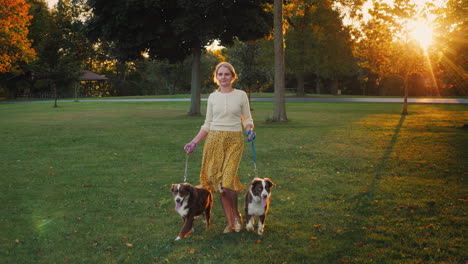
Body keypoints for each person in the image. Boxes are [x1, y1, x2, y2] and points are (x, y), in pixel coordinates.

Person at [184, 62, 255, 233]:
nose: (223, 77)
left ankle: (237, 215)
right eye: (220, 74)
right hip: (214, 141)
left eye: (227, 74)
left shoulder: (241, 95)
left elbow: (247, 118)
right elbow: (207, 124)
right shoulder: (212, 97)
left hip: (234, 141)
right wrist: (194, 142)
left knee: (228, 180)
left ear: (233, 76)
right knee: (220, 184)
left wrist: (249, 130)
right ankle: (231, 223)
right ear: (216, 77)